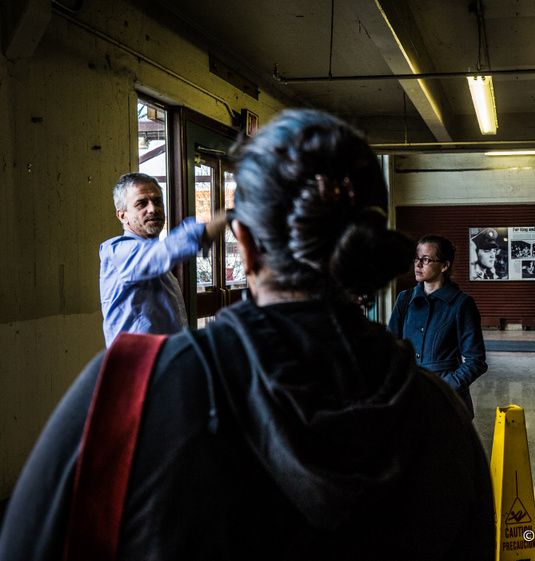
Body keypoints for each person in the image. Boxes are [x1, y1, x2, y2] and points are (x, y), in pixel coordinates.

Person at [0, 109, 494, 561]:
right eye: (142, 204)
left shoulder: (128, 396)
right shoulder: (439, 411)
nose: (150, 210)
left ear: (248, 247)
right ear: (368, 247)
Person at [99, 172, 227, 346]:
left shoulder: (153, 256)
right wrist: (219, 221)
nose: (153, 209)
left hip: (164, 364)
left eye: (157, 201)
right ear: (122, 216)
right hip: (139, 369)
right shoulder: (117, 251)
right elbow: (165, 252)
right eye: (141, 203)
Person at [388, 234, 487, 418]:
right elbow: (389, 349)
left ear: (444, 265)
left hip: (447, 400)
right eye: (417, 258)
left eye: (426, 259)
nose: (418, 265)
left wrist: (444, 388)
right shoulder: (404, 299)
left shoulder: (461, 304)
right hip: (409, 395)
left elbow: (476, 361)